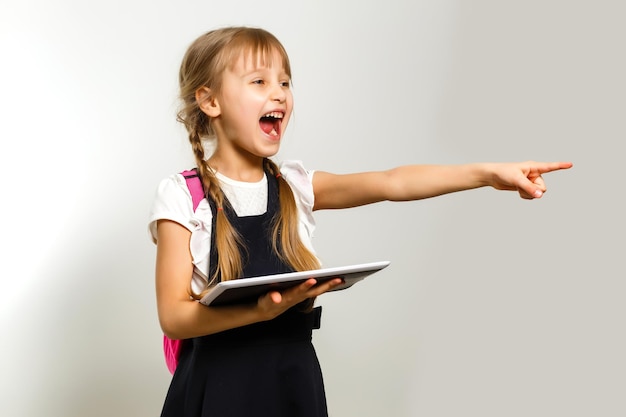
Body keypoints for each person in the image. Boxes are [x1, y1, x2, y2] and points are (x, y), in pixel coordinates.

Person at [148, 26, 572, 417]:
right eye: (259, 81)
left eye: (285, 81)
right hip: (219, 388)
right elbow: (174, 316)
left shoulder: (293, 185)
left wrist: (487, 173)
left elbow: (392, 182)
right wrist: (259, 312)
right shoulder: (184, 196)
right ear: (210, 101)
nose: (278, 93)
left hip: (293, 379)